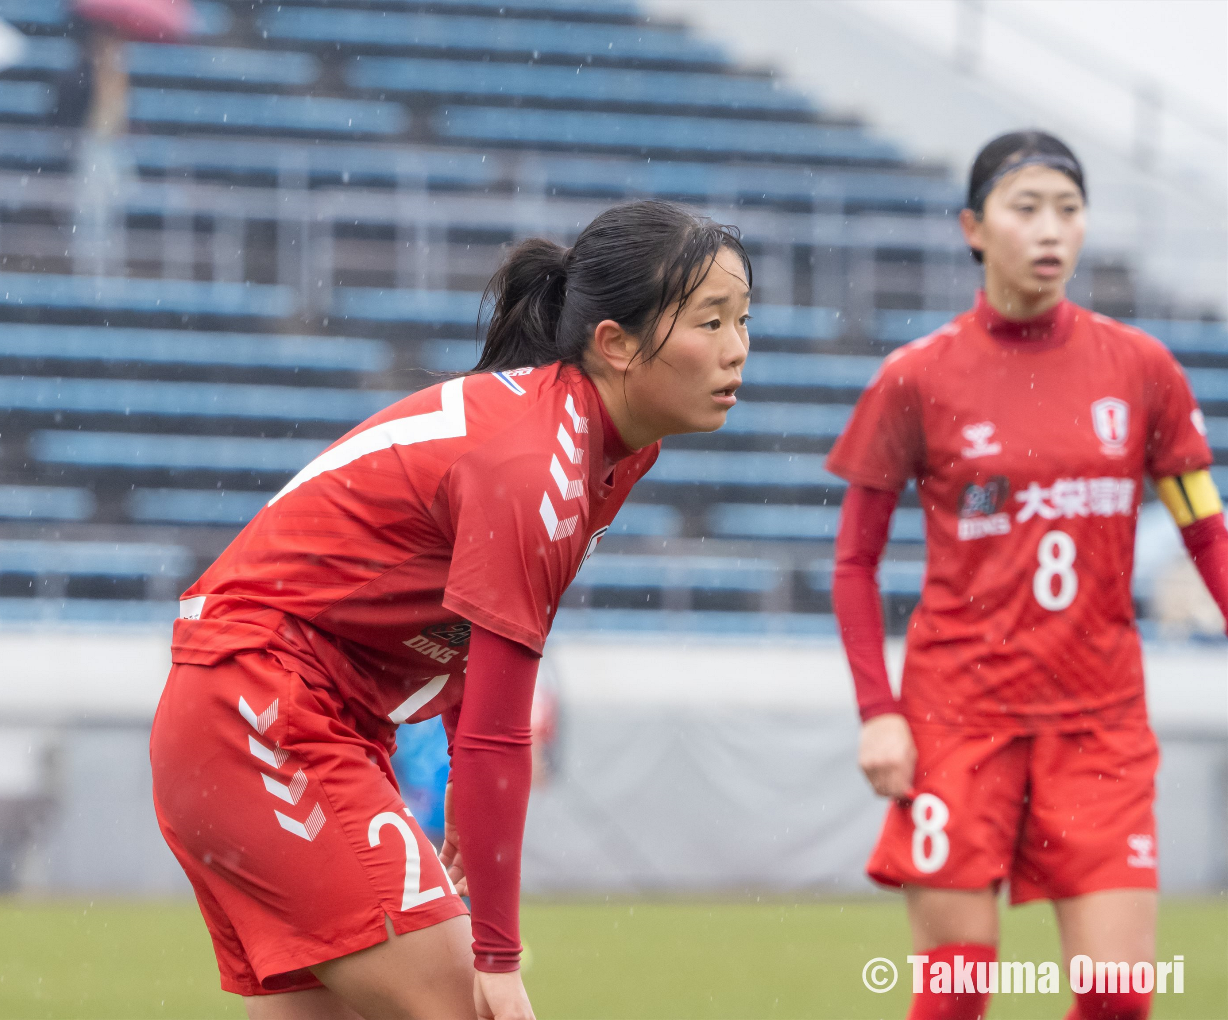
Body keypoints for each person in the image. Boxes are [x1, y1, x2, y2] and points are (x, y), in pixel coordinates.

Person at [150, 199, 751, 1020]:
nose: (738, 351)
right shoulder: (537, 460)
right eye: (711, 322)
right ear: (613, 344)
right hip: (262, 710)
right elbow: (500, 725)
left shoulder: (610, 447)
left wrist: (466, 791)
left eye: (743, 320)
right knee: (472, 1009)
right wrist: (495, 958)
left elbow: (468, 633)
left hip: (277, 716)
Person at [826, 131, 1228, 1020]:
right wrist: (878, 713)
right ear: (974, 226)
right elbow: (854, 562)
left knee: (1119, 998)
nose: (1051, 229)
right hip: (956, 724)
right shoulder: (916, 377)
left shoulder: (1144, 369)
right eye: (1026, 207)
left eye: (1069, 209)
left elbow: (1206, 526)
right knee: (956, 997)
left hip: (1100, 723)